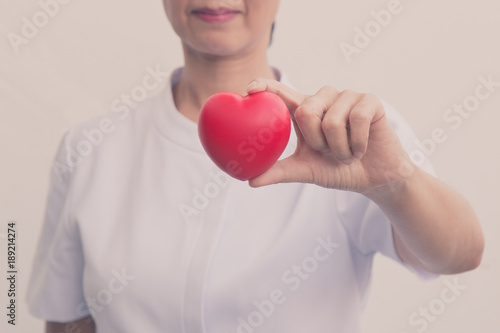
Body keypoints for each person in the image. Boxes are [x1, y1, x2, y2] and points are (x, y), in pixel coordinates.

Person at [27, 1, 484, 332]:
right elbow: (67, 318)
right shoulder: (87, 148)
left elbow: (459, 255)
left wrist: (392, 184)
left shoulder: (350, 134)